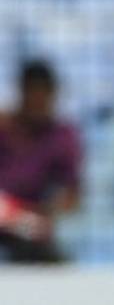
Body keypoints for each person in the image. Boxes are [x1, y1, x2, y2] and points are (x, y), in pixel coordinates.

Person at [0, 60, 83, 264]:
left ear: (53, 95)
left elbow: (72, 194)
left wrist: (51, 209)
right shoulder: (4, 128)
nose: (38, 103)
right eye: (32, 96)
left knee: (39, 242)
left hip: (27, 220)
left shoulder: (62, 137)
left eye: (43, 96)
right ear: (21, 94)